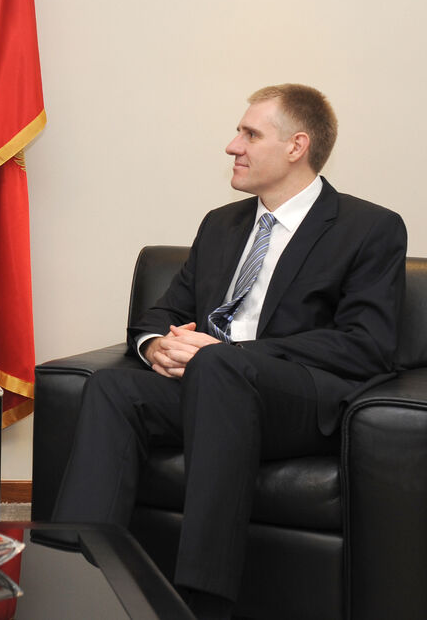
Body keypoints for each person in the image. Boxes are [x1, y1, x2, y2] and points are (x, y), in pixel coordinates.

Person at [51, 84, 407, 619]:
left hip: (296, 401)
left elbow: (366, 344)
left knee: (219, 363)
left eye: (250, 134)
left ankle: (203, 604)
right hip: (209, 385)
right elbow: (161, 314)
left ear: (296, 146)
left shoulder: (369, 228)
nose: (232, 145)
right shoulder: (222, 224)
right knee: (113, 387)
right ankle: (74, 585)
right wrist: (158, 347)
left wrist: (230, 352)